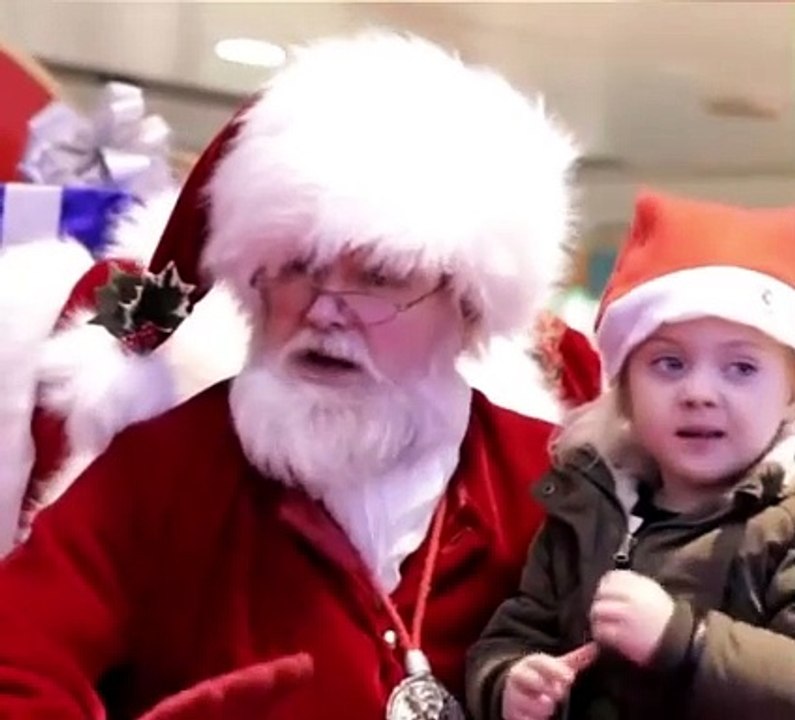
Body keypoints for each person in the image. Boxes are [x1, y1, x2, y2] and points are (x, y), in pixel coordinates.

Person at [0, 31, 600, 720]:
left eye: (377, 277)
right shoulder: (164, 469)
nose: (323, 311)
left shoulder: (549, 482)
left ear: (467, 307)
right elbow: (15, 658)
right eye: (297, 267)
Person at [466, 189, 795, 720]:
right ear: (623, 389)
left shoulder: (783, 523)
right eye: (668, 363)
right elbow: (517, 629)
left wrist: (685, 640)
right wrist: (509, 682)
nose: (700, 393)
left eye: (741, 368)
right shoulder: (583, 505)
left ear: (790, 393)